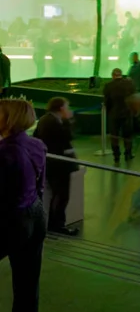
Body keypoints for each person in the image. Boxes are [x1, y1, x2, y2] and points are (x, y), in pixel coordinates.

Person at [0, 99, 46, 312]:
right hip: (35, 216)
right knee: (28, 289)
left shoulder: (5, 152)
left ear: (9, 119)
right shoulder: (36, 145)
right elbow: (40, 186)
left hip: (11, 221)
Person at [32, 97, 79, 236]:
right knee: (61, 195)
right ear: (61, 108)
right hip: (58, 166)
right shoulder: (53, 122)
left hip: (54, 164)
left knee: (58, 194)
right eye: (66, 107)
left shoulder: (46, 120)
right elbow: (67, 137)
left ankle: (55, 223)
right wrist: (69, 121)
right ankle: (57, 225)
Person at [104, 68, 137, 164]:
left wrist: (109, 112)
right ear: (121, 74)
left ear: (113, 75)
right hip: (127, 113)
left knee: (114, 136)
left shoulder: (108, 86)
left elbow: (107, 101)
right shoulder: (129, 84)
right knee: (128, 135)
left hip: (114, 114)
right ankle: (128, 153)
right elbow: (133, 97)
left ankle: (116, 156)